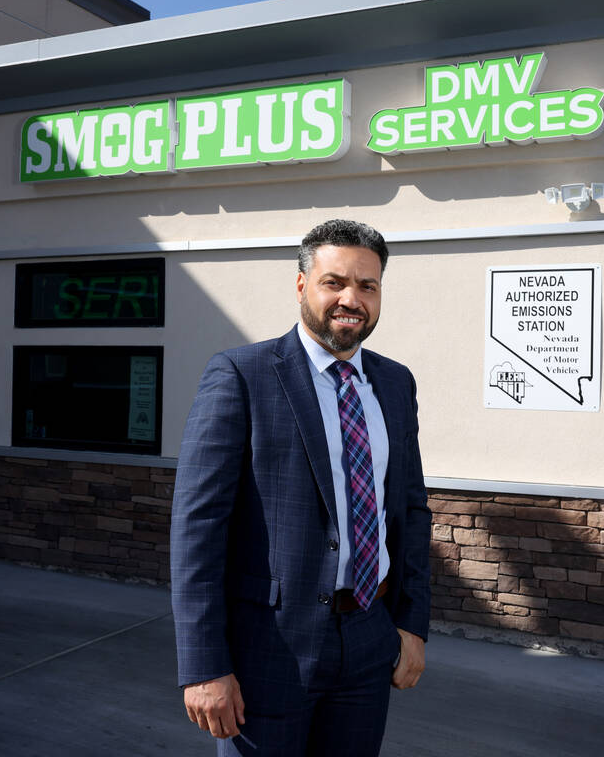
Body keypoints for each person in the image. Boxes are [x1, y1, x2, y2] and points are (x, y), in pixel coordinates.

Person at [171, 219, 431, 757]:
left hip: (368, 639)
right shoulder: (242, 376)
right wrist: (204, 666)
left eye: (367, 286)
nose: (350, 299)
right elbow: (198, 530)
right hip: (270, 650)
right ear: (301, 286)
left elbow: (409, 508)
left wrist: (411, 623)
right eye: (334, 282)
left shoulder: (396, 383)